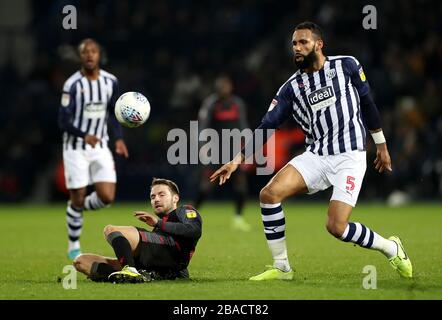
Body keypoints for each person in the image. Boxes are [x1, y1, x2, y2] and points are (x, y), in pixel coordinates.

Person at [210, 22, 412, 280]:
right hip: (317, 155)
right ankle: (282, 267)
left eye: (303, 42)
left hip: (349, 156)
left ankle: (390, 247)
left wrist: (381, 145)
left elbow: (368, 103)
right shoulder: (291, 88)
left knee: (336, 227)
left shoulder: (347, 65)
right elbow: (267, 125)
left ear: (319, 44)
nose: (297, 47)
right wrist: (237, 160)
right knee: (269, 194)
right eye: (294, 43)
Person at [58, 38, 129, 260]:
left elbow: (113, 113)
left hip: (100, 146)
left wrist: (118, 138)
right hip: (75, 147)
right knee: (78, 194)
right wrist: (83, 135)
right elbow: (63, 120)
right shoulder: (72, 85)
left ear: (100, 55)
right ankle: (73, 244)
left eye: (93, 51)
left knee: (106, 197)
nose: (89, 55)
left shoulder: (111, 82)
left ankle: (75, 208)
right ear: (80, 57)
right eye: (85, 52)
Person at [73, 178, 203, 283]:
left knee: (110, 229)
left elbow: (194, 229)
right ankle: (141, 275)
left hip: (171, 253)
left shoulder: (184, 210)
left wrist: (158, 222)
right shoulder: (159, 227)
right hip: (155, 262)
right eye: (153, 197)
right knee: (81, 261)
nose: (156, 199)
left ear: (175, 198)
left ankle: (130, 270)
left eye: (161, 195)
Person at [194, 75, 251, 231]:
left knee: (241, 183)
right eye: (220, 86)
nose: (223, 89)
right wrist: (203, 146)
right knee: (206, 186)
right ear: (216, 88)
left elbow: (243, 125)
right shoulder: (210, 104)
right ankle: (191, 215)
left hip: (234, 150)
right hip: (215, 150)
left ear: (230, 87)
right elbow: (202, 127)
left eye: (225, 86)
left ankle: (238, 218)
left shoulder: (237, 103)